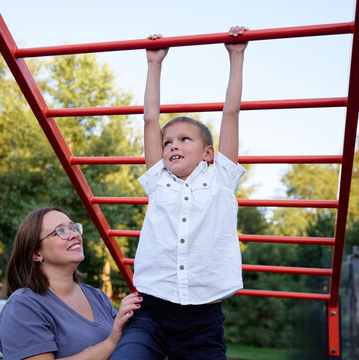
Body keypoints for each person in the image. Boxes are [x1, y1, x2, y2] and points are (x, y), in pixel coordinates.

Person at [111, 26, 248, 359]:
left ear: (208, 153)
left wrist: (236, 55)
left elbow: (230, 113)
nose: (172, 145)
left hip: (202, 319)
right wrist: (154, 64)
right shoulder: (159, 180)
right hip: (152, 312)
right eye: (167, 142)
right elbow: (149, 120)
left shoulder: (221, 180)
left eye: (185, 139)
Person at [0, 206, 143, 359]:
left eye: (73, 228)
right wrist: (110, 343)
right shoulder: (23, 305)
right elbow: (114, 340)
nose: (74, 235)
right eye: (60, 231)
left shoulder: (98, 297)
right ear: (36, 253)